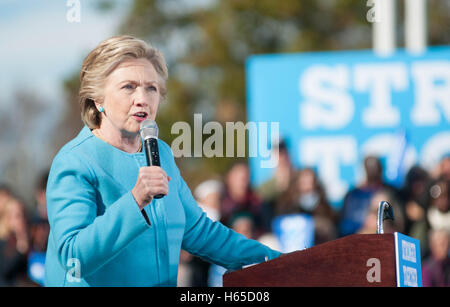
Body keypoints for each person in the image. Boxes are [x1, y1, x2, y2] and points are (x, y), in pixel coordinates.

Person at [44, 35, 281, 287]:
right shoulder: (76, 162)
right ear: (98, 98)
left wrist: (281, 262)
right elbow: (73, 258)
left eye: (151, 88)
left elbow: (198, 231)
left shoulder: (161, 153)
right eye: (128, 87)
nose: (142, 98)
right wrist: (136, 200)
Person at [338, 155, 399, 237]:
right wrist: (365, 224)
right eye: (369, 167)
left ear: (381, 168)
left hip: (386, 236)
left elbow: (399, 220)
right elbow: (345, 225)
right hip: (358, 237)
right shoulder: (353, 195)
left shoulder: (391, 192)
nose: (372, 170)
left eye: (375, 166)